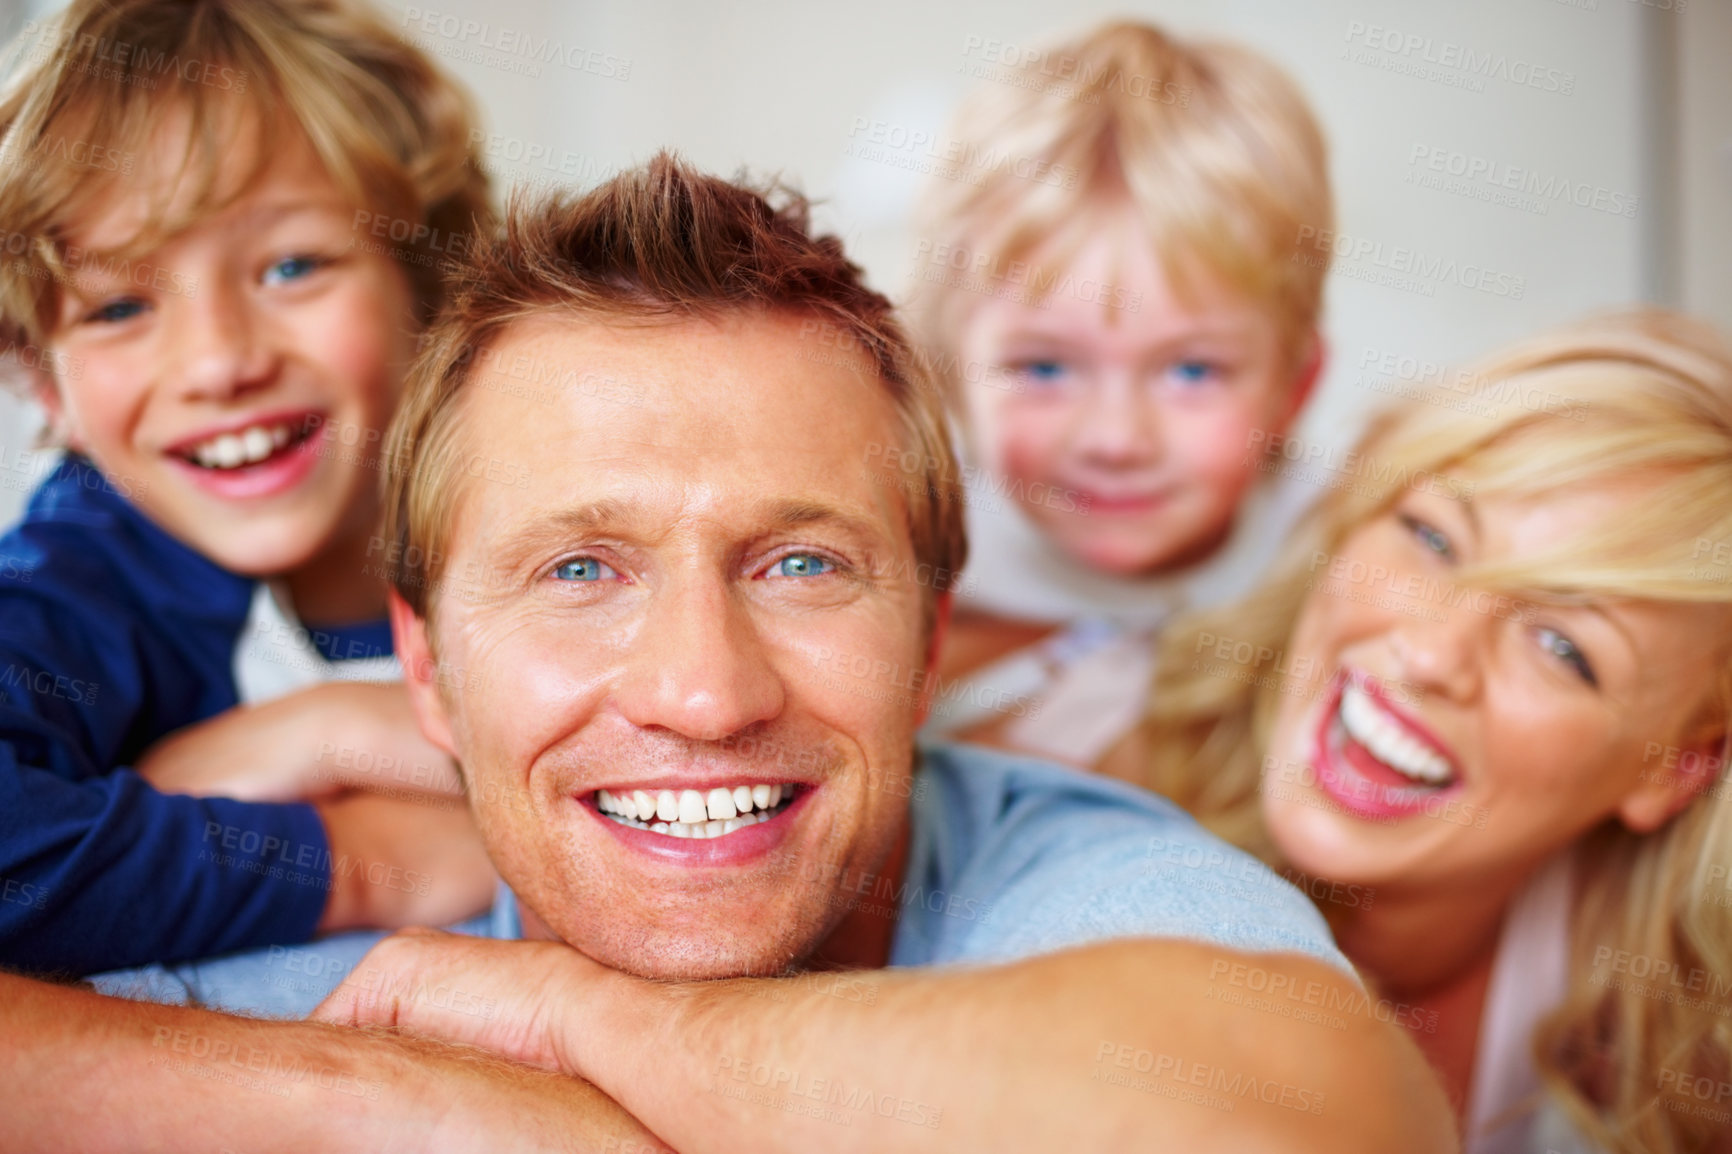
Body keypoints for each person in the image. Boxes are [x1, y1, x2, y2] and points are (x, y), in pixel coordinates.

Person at [15, 157, 1456, 1153]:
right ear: (430, 670)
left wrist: (569, 1015)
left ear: (931, 637)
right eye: (581, 569)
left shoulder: (1080, 883)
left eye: (804, 563)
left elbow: (1316, 1124)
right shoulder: (324, 970)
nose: (704, 693)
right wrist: (389, 1103)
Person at [1102, 310, 1732, 1152]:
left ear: (1677, 769)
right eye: (1433, 536)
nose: (1433, 653)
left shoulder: (1683, 1077)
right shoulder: (1067, 799)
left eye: (1560, 647)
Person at [0, 0, 499, 976]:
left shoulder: (530, 499)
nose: (219, 361)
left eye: (290, 264)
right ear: (45, 381)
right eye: (119, 305)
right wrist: (355, 842)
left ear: (429, 289)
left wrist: (202, 775)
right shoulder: (91, 573)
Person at [911, 21, 1331, 766]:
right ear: (949, 372)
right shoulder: (916, 554)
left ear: (1295, 388)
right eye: (1045, 368)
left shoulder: (1329, 553)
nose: (1116, 439)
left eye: (1191, 371)